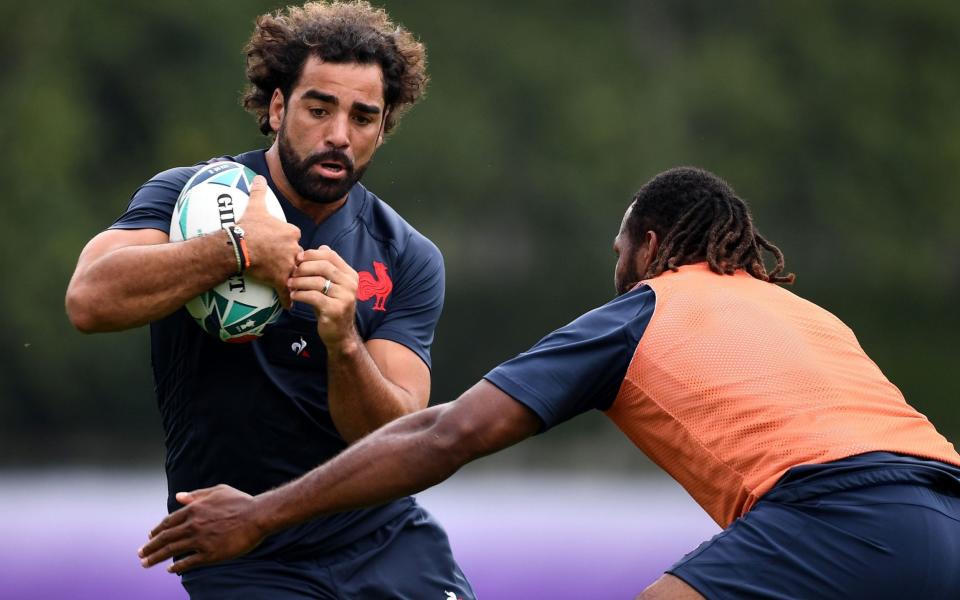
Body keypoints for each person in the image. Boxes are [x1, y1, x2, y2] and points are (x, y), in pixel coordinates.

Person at [139, 166, 960, 599]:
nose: (616, 271)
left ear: (649, 243)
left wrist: (262, 512)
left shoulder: (645, 309)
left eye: (618, 252)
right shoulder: (810, 316)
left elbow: (444, 433)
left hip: (839, 512)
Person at [66, 2, 475, 598]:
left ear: (383, 128)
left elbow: (401, 444)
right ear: (278, 106)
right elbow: (89, 301)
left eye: (363, 117)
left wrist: (345, 344)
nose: (339, 135)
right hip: (237, 543)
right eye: (319, 108)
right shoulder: (190, 196)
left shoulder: (408, 256)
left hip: (383, 540)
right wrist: (234, 249)